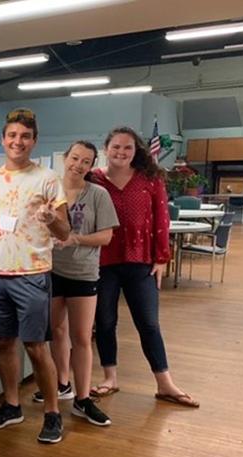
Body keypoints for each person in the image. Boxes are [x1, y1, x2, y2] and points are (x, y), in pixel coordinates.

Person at [0, 108, 71, 444]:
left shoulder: (47, 179)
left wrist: (51, 219)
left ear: (34, 141)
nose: (18, 142)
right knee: (4, 343)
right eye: (12, 136)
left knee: (35, 346)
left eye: (25, 136)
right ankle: (12, 404)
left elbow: (65, 232)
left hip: (31, 274)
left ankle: (52, 412)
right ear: (3, 139)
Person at [90, 127, 197, 407]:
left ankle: (165, 383)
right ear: (106, 149)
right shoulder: (93, 179)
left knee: (149, 323)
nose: (121, 152)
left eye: (127, 147)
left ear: (136, 150)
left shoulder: (150, 178)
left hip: (141, 261)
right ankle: (109, 378)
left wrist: (161, 257)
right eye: (116, 147)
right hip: (103, 262)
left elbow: (162, 219)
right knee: (105, 322)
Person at [34, 141, 119, 427]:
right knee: (56, 330)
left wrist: (75, 239)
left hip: (83, 272)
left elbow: (106, 236)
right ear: (64, 158)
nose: (78, 165)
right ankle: (62, 383)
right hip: (50, 269)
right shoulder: (49, 190)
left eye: (85, 161)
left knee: (81, 336)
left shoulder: (98, 194)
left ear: (92, 165)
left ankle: (83, 399)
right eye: (74, 158)